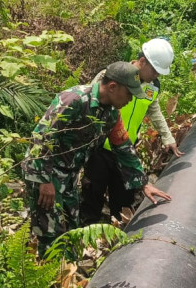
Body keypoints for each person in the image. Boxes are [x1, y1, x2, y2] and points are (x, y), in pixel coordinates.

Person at [22, 61, 173, 253]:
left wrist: (142, 183)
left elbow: (123, 147)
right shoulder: (73, 100)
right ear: (112, 87)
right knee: (51, 234)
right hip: (44, 173)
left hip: (69, 175)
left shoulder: (111, 114)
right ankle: (52, 276)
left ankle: (69, 272)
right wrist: (44, 182)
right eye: (129, 94)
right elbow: (42, 138)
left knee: (72, 229)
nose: (131, 99)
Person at [81, 38, 183, 226]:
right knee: (92, 195)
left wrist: (167, 136)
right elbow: (89, 103)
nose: (155, 76)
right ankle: (86, 236)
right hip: (100, 149)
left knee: (123, 200)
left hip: (126, 150)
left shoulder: (153, 86)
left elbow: (153, 109)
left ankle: (117, 237)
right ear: (142, 61)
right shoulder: (112, 75)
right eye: (154, 70)